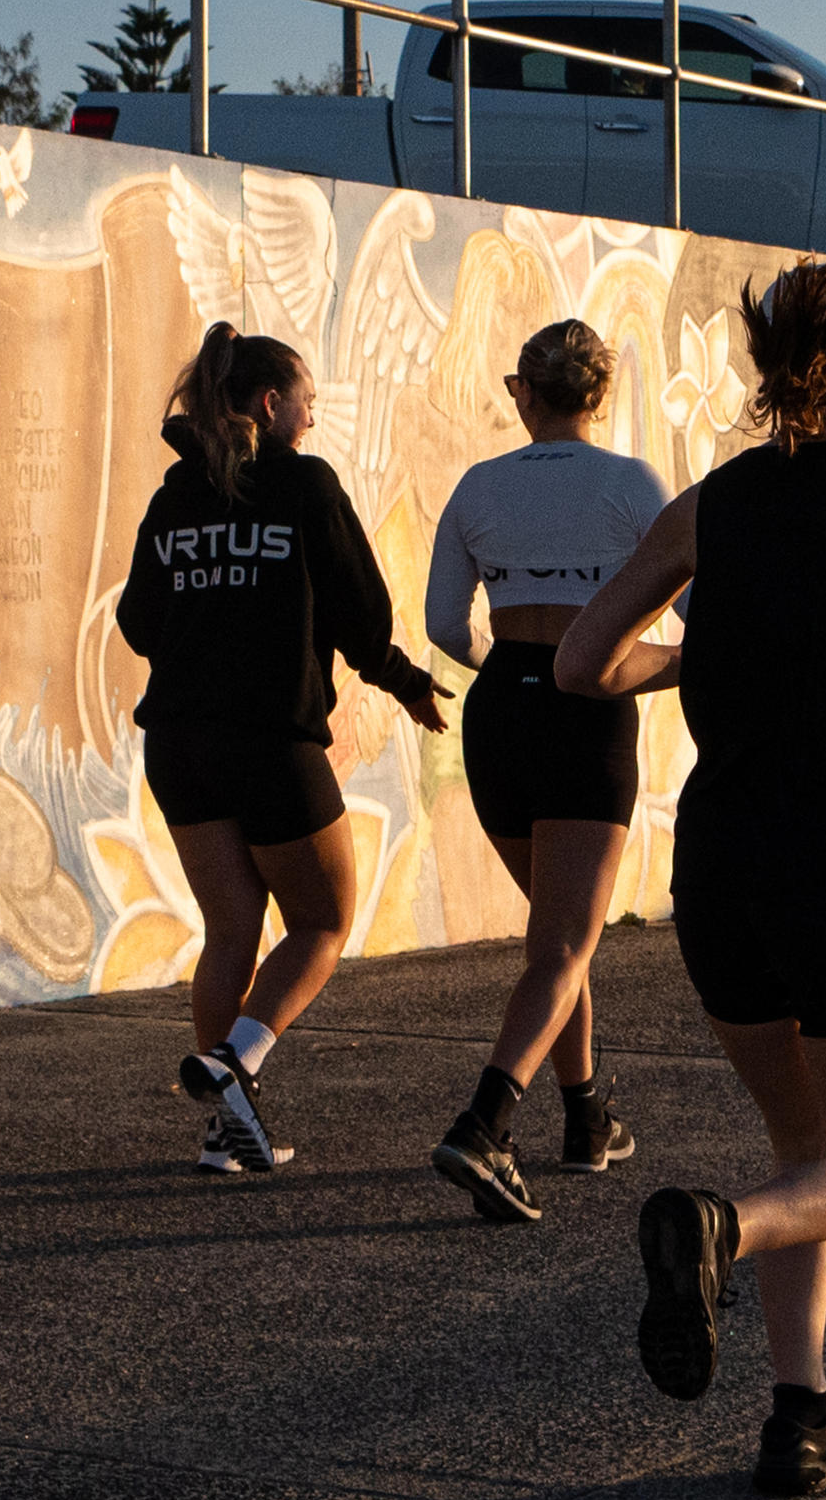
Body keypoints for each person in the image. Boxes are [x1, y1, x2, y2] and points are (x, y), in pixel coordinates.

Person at [557, 263, 826, 1500]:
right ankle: (715, 1228)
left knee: (802, 1140)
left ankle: (798, 1412)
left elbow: (582, 664)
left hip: (722, 867)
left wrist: (693, 661)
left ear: (764, 374)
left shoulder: (706, 508)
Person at [117, 322, 447, 1173]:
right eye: (309, 400)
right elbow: (361, 617)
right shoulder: (305, 486)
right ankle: (237, 1060)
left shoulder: (173, 499)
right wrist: (407, 682)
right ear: (272, 403)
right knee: (326, 918)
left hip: (179, 747)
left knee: (231, 929)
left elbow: (137, 624)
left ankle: (227, 1130)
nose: (314, 415)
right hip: (268, 743)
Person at [421, 318, 664, 1220]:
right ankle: (486, 1125)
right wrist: (663, 663)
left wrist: (511, 668)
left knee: (559, 936)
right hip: (587, 708)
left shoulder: (479, 485)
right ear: (599, 395)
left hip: (502, 707)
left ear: (523, 392)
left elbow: (447, 624)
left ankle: (586, 1117)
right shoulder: (633, 483)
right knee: (564, 941)